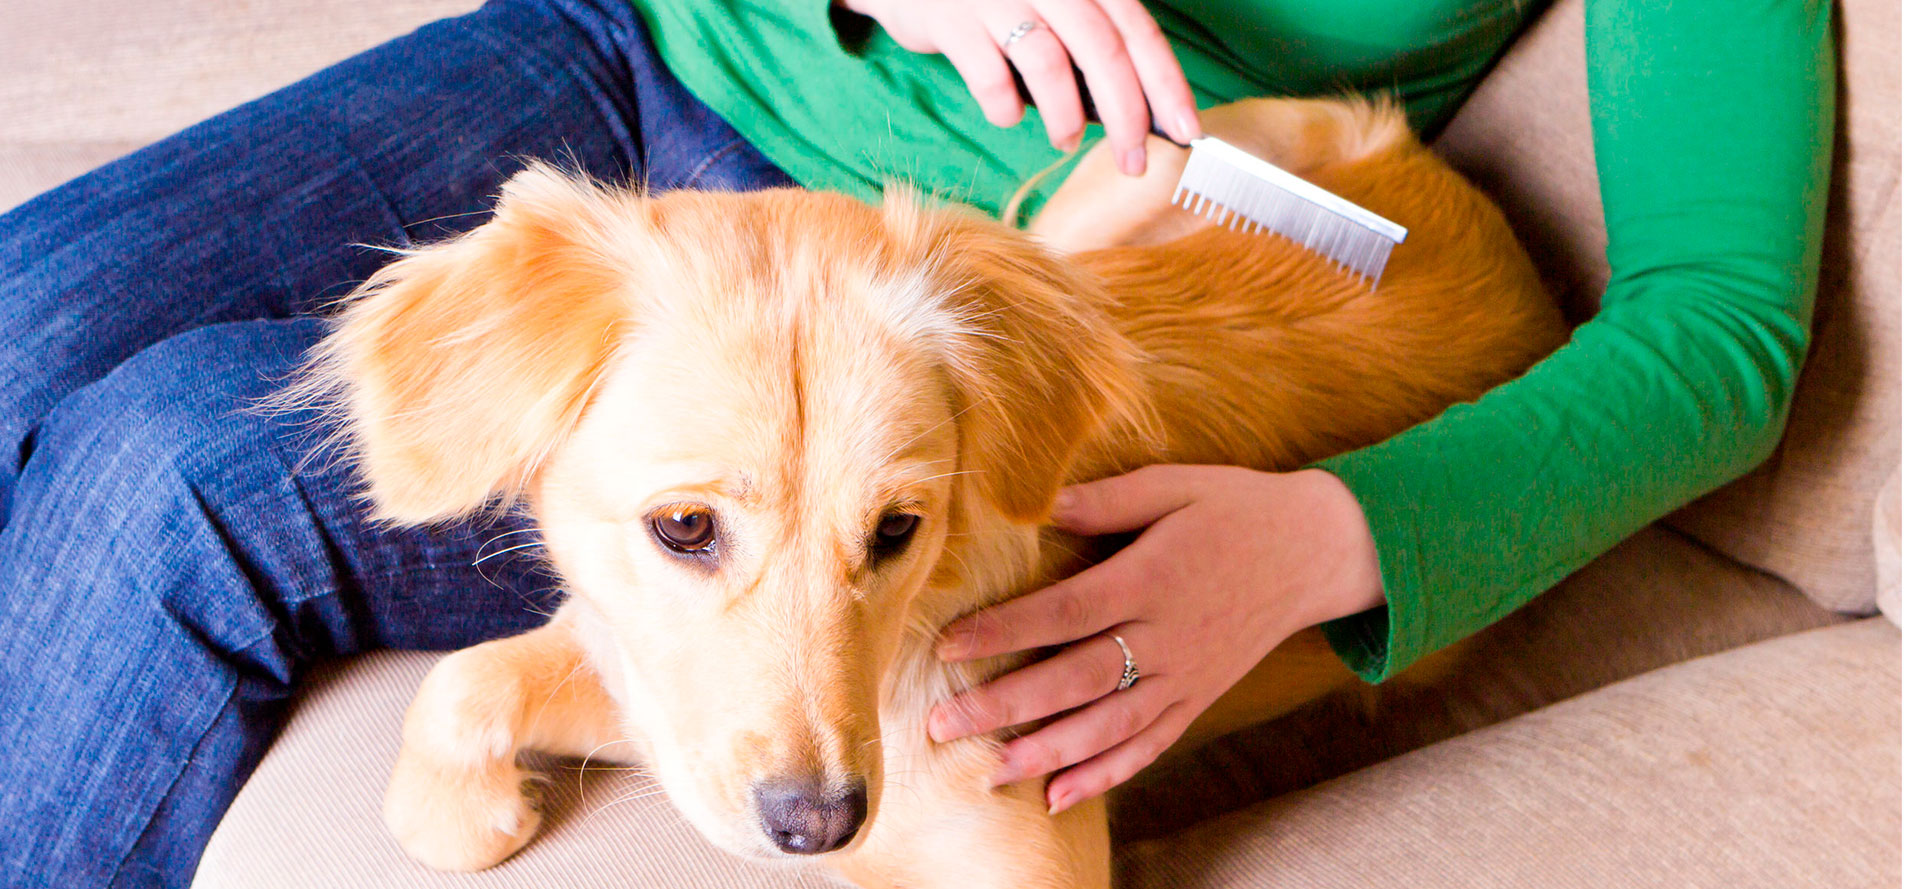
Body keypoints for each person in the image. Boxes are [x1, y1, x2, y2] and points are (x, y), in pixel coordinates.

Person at [0, 0, 1832, 884]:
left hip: (962, 297)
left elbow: (1726, 328)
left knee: (171, 479)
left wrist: (1334, 535)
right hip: (675, 41)